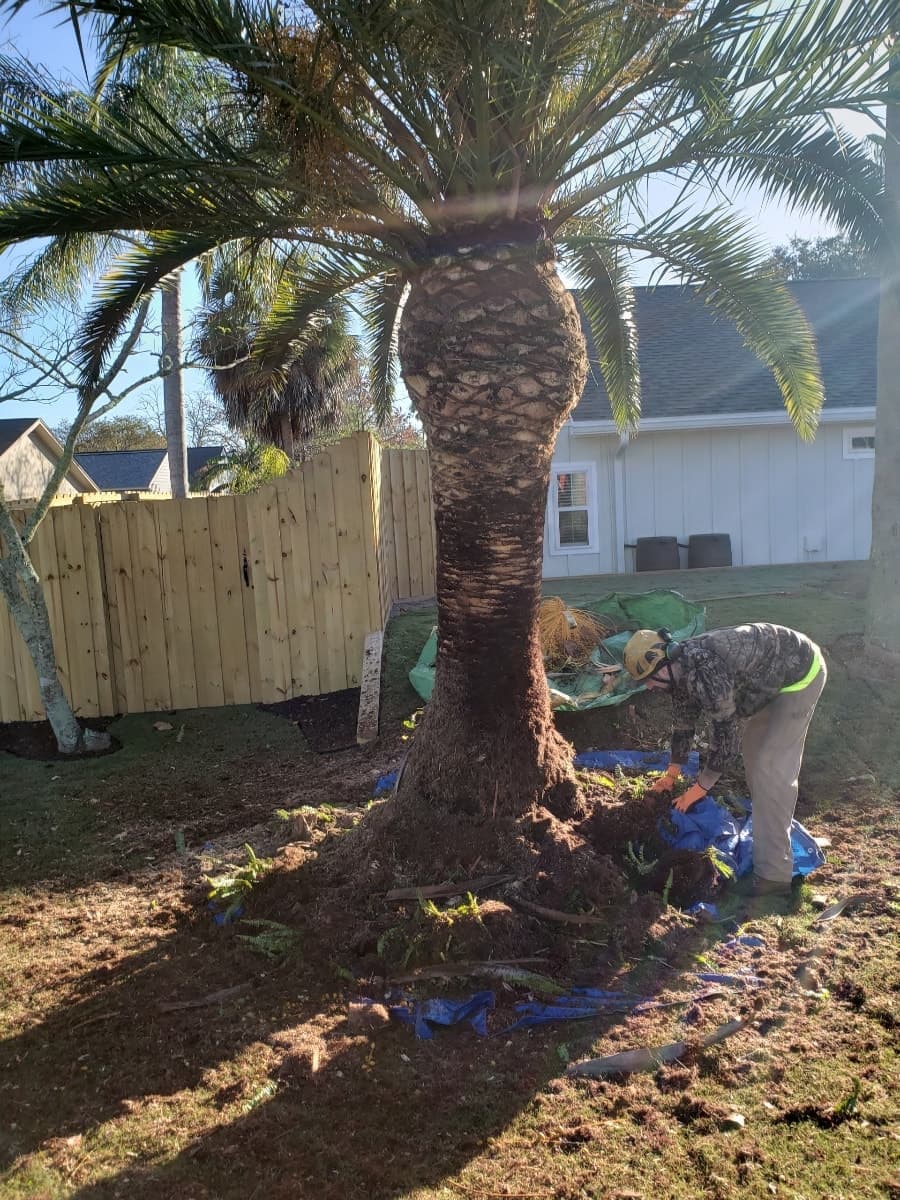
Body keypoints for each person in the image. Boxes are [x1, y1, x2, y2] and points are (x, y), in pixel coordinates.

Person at [622, 623, 827, 896]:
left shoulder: (707, 671)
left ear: (664, 665)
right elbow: (683, 724)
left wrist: (699, 789)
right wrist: (671, 774)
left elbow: (726, 737)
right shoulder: (680, 671)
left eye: (648, 679)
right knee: (754, 754)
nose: (648, 687)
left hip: (800, 673)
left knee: (771, 769)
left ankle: (774, 879)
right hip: (770, 678)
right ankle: (773, 822)